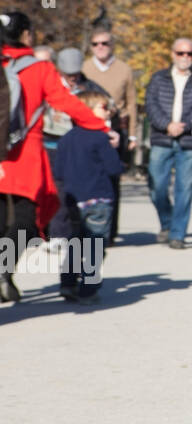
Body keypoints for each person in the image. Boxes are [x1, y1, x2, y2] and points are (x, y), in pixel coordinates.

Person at [1, 12, 114, 303]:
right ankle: (3, 269)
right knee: (29, 218)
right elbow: (66, 104)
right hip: (24, 153)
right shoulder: (39, 69)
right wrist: (100, 127)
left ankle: (3, 274)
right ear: (26, 35)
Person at [50, 90, 121, 302]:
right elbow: (114, 168)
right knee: (95, 246)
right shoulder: (100, 138)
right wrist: (114, 149)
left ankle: (68, 283)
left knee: (75, 243)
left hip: (73, 198)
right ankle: (88, 290)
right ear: (87, 111)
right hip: (98, 198)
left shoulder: (65, 140)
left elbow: (59, 172)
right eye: (103, 108)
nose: (108, 112)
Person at [143, 38, 192, 248]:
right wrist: (167, 124)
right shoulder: (158, 78)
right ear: (173, 54)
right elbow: (150, 105)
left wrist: (185, 126)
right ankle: (167, 222)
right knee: (157, 186)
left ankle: (177, 234)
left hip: (189, 140)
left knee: (184, 189)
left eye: (189, 53)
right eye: (181, 53)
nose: (185, 57)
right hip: (162, 138)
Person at [81, 27, 138, 243]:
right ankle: (89, 226)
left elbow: (131, 103)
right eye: (96, 44)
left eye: (104, 43)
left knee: (112, 178)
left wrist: (132, 135)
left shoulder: (124, 69)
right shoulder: (85, 68)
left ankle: (110, 231)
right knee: (90, 178)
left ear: (111, 45)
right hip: (88, 127)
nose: (100, 48)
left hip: (116, 127)